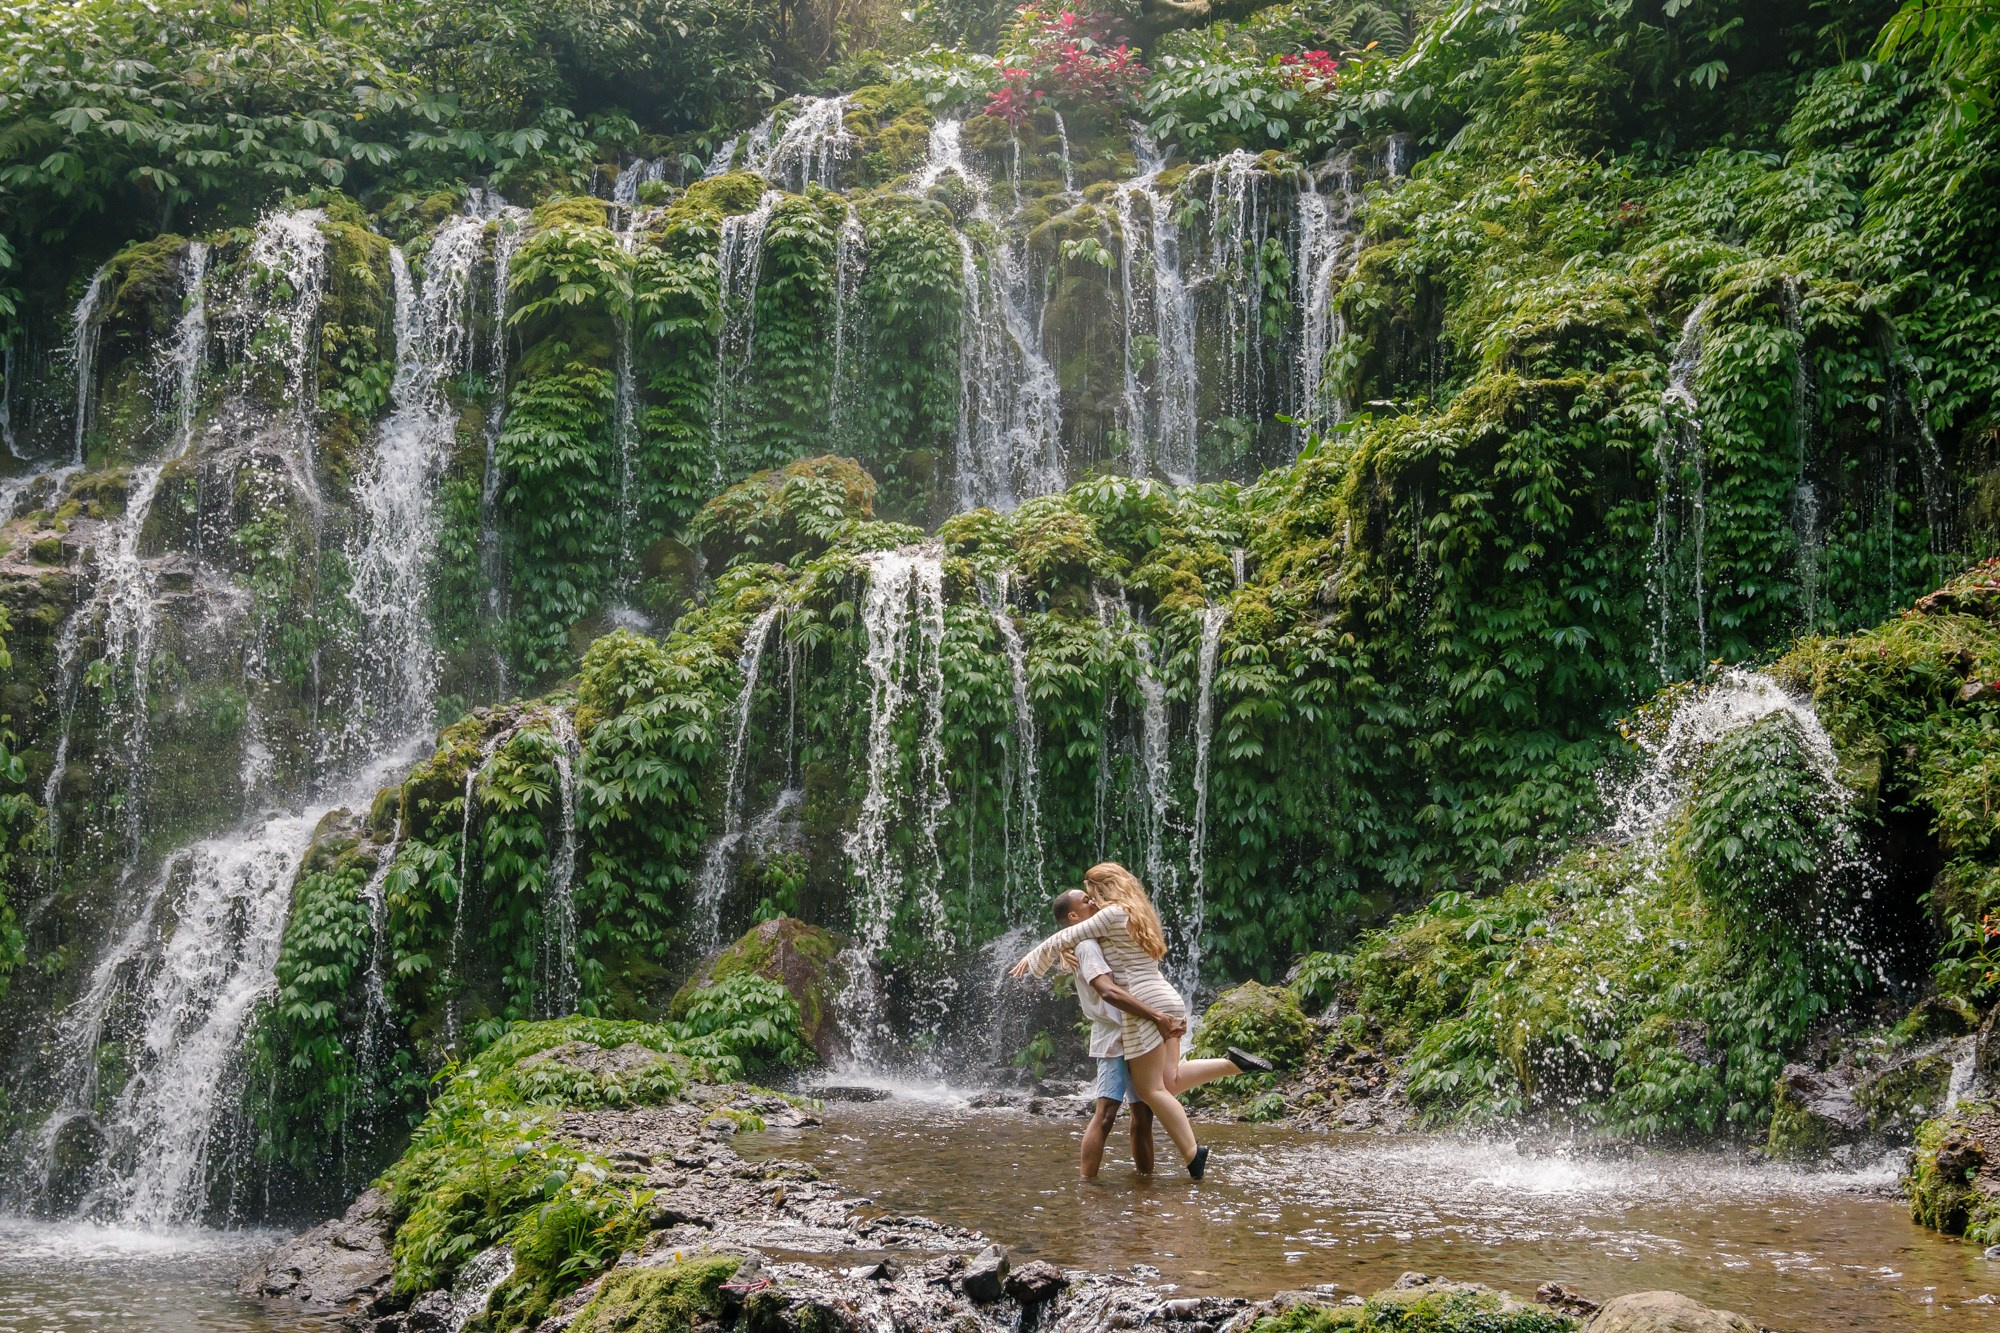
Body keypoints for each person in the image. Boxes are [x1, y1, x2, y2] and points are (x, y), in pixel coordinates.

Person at [1010, 863, 1272, 1179]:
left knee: (1150, 1092)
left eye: (1091, 894)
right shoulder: (1135, 914)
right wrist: (1063, 953)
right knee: (1169, 1082)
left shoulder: (1103, 922)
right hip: (1165, 996)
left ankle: (1192, 1155)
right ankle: (1234, 1065)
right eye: (1086, 901)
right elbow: (1072, 938)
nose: (1092, 901)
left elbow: (1072, 943)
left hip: (1142, 1008)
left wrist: (1033, 958)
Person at [1052, 887, 1158, 1179]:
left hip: (1132, 1031)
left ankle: (1145, 1180)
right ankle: (1087, 1184)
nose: (1093, 901)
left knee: (1143, 1112)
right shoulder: (1086, 947)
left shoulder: (1094, 941)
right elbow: (1108, 992)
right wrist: (1156, 1016)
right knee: (1107, 1114)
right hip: (1112, 1036)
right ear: (1074, 915)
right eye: (1086, 900)